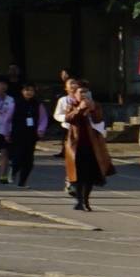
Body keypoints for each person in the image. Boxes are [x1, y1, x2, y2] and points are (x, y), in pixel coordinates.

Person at [56, 76, 106, 211]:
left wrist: (93, 109)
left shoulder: (94, 105)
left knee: (89, 175)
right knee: (77, 175)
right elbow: (69, 118)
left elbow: (99, 120)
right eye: (80, 92)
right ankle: (79, 201)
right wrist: (80, 109)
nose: (83, 95)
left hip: (92, 145)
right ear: (75, 94)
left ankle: (86, 200)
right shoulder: (71, 105)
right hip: (75, 145)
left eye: (85, 92)